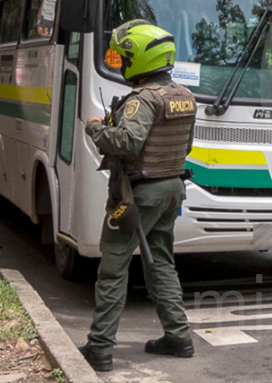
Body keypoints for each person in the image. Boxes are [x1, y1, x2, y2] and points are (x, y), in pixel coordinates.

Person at [78, 21, 197, 372]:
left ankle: (100, 347)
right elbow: (187, 147)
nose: (122, 65)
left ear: (141, 60)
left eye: (125, 58)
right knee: (160, 262)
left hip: (137, 195)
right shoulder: (184, 96)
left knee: (113, 268)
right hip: (171, 189)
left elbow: (128, 141)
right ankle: (179, 337)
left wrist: (95, 127)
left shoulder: (143, 99)